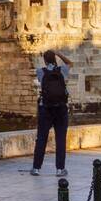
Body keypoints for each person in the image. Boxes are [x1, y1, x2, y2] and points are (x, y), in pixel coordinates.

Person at [32, 49, 74, 177]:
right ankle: (60, 169)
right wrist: (59, 54)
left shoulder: (40, 72)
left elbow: (40, 83)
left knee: (41, 139)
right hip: (61, 109)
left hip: (46, 109)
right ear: (55, 59)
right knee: (60, 139)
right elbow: (70, 63)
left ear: (45, 60)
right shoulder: (62, 70)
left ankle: (36, 168)